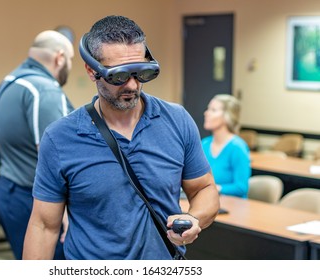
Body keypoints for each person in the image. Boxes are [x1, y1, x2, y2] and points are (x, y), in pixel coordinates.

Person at [23, 15, 219, 260]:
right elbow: (43, 226)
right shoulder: (60, 137)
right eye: (119, 76)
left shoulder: (177, 120)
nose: (132, 85)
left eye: (141, 73)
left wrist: (194, 217)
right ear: (91, 70)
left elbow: (204, 188)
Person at [0, 30, 74, 259]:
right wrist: (66, 215)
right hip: (36, 201)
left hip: (6, 190)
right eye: (71, 59)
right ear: (59, 58)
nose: (71, 65)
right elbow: (57, 158)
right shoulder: (45, 91)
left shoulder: (11, 80)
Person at [202, 94, 251, 198]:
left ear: (227, 116)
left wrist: (214, 188)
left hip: (233, 206)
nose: (206, 113)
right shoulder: (204, 144)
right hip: (208, 201)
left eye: (213, 110)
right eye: (208, 109)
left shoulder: (237, 147)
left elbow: (241, 187)